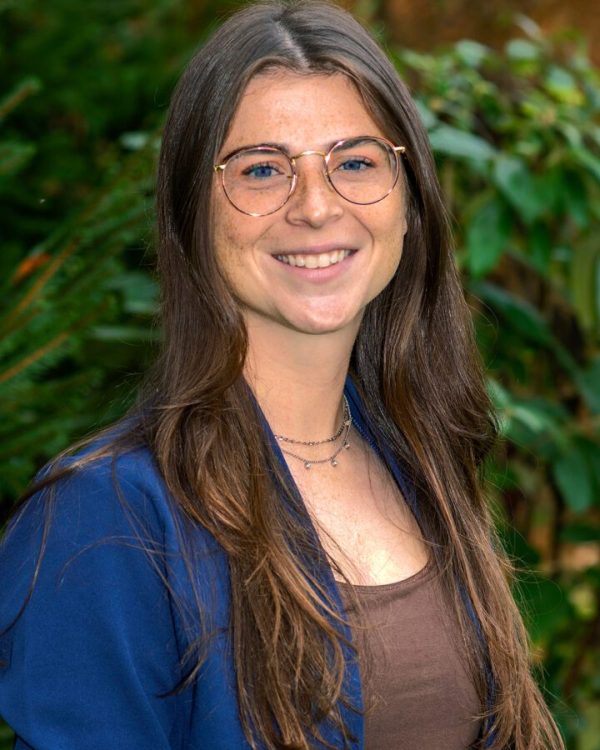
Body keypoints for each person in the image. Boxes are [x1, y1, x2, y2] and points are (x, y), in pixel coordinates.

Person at [0, 2, 565, 748]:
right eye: (263, 170)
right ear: (191, 213)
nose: (317, 206)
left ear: (410, 203)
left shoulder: (421, 460)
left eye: (356, 161)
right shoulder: (106, 520)